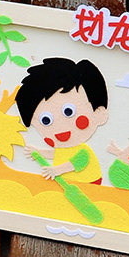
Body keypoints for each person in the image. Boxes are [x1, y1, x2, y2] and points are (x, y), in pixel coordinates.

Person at [16, 57, 108, 185]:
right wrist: (38, 152)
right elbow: (57, 154)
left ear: (98, 112)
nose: (60, 129)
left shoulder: (83, 151)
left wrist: (56, 170)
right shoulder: (65, 149)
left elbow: (76, 163)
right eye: (45, 121)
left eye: (69, 112)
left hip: (90, 184)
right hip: (67, 185)